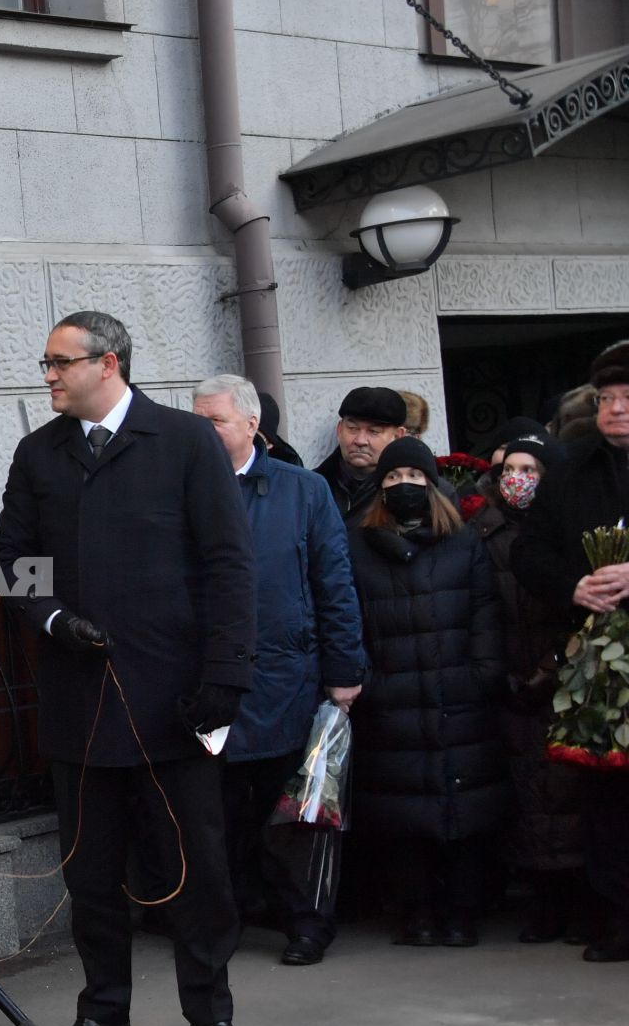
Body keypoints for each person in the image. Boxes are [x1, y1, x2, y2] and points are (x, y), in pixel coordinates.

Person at [0, 312, 256, 1026]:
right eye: (44, 362)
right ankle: (105, 1013)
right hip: (81, 707)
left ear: (106, 363)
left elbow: (229, 567)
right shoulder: (37, 454)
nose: (46, 375)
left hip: (177, 703)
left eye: (57, 362)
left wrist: (225, 678)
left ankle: (211, 1017)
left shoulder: (183, 442)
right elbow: (6, 565)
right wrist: (50, 619)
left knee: (195, 873)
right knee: (91, 875)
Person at [191, 375, 366, 966]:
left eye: (213, 420)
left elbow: (334, 585)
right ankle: (229, 917)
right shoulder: (180, 488)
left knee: (294, 812)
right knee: (220, 816)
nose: (203, 430)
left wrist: (345, 671)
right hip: (212, 685)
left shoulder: (303, 491)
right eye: (197, 419)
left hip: (287, 680)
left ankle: (307, 922)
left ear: (249, 426)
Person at [348, 438, 506, 948]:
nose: (404, 488)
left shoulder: (463, 542)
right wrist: (369, 683)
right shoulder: (359, 546)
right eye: (392, 480)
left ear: (431, 485)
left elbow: (485, 613)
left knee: (464, 816)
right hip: (390, 706)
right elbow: (348, 621)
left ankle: (461, 913)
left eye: (413, 479)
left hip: (460, 700)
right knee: (403, 818)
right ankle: (416, 913)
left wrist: (481, 674)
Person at [514, 346, 629, 962]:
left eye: (627, 399)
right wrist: (573, 586)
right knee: (608, 792)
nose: (615, 410)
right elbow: (527, 554)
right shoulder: (570, 468)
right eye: (607, 399)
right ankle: (617, 915)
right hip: (599, 662)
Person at [468, 433, 592, 944]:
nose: (517, 479)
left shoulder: (568, 535)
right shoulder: (482, 534)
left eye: (530, 469)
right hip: (510, 683)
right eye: (509, 469)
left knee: (571, 796)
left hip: (564, 681)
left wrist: (553, 666)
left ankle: (584, 898)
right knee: (526, 796)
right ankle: (543, 902)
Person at [314, 386, 407, 527]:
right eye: (353, 429)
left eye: (374, 431)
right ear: (339, 430)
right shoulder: (311, 488)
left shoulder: (411, 491)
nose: (360, 441)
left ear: (398, 436)